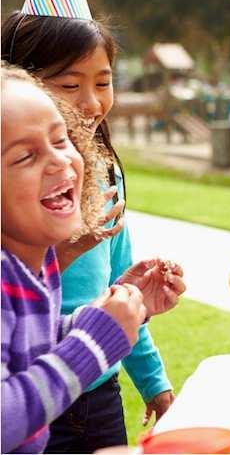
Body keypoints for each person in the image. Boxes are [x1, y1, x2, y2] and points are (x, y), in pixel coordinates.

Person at [1, 0, 185, 451]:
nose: (90, 102)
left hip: (96, 390)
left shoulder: (102, 179)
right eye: (67, 86)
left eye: (61, 140)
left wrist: (129, 304)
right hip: (53, 390)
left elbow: (37, 325)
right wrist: (66, 255)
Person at [0, 63, 145, 454]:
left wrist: (109, 317)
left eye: (61, 139)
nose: (60, 161)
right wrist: (93, 344)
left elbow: (26, 350)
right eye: (25, 156)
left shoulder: (34, 264)